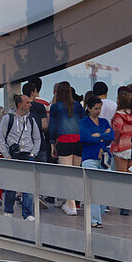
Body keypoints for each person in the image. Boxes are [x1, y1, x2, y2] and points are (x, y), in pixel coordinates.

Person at [0, 93, 41, 220]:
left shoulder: (31, 120)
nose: (30, 105)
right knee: (11, 185)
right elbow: (1, 138)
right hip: (13, 156)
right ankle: (8, 210)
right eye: (27, 102)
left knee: (28, 186)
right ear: (19, 104)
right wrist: (6, 155)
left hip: (28, 155)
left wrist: (33, 153)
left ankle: (27, 213)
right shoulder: (8, 119)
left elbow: (37, 138)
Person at [48, 81, 84, 214]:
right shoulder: (77, 106)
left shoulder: (55, 107)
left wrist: (52, 144)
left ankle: (71, 204)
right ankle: (73, 203)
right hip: (78, 141)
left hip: (63, 141)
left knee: (67, 175)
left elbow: (52, 127)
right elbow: (83, 122)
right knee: (75, 174)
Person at [79, 92, 114, 227]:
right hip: (89, 158)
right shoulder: (83, 122)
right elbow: (85, 137)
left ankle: (97, 215)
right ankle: (95, 220)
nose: (98, 111)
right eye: (96, 109)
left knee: (105, 188)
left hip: (104, 160)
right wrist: (102, 135)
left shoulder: (104, 121)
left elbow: (111, 135)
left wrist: (97, 135)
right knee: (92, 189)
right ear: (89, 108)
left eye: (100, 108)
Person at [111, 88, 132, 214]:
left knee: (122, 178)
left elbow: (117, 132)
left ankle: (124, 206)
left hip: (121, 148)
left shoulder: (118, 115)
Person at [22, 79, 49, 161]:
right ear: (32, 92)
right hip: (39, 144)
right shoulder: (40, 106)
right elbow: (44, 125)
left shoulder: (20, 107)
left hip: (24, 145)